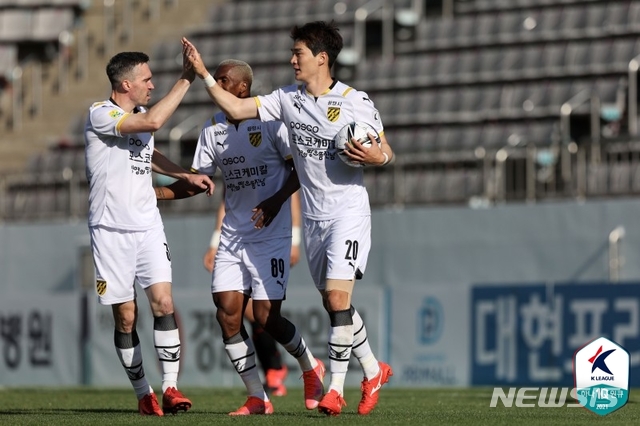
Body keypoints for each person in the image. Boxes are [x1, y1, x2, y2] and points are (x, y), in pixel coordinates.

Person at [181, 20, 395, 416]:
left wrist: (375, 156)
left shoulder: (355, 101)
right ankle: (372, 369)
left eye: (298, 53)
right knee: (337, 306)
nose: (291, 59)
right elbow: (235, 106)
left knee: (336, 297)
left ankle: (334, 389)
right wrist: (204, 74)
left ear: (322, 58)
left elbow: (386, 151)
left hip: (347, 211)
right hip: (313, 218)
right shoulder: (286, 99)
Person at [155, 58, 325, 416]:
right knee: (228, 315)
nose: (215, 84)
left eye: (222, 80)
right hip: (233, 236)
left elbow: (302, 171)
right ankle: (257, 397)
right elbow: (197, 183)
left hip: (271, 235)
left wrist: (277, 201)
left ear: (241, 89)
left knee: (265, 318)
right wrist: (160, 194)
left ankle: (310, 366)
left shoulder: (273, 124)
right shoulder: (212, 130)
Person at [84, 46, 214, 416]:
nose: (152, 85)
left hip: (147, 225)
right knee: (126, 316)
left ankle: (171, 388)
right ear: (126, 84)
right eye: (146, 79)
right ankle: (144, 393)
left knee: (164, 303)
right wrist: (187, 77)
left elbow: (149, 147)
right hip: (110, 230)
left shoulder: (138, 114)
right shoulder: (100, 114)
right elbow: (153, 124)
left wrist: (183, 174)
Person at [203, 190, 303, 397]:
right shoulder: (231, 159)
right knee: (240, 311)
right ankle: (271, 373)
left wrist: (295, 240)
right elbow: (226, 200)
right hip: (237, 241)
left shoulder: (272, 159)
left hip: (269, 240)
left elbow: (291, 195)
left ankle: (279, 368)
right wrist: (214, 243)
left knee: (263, 313)